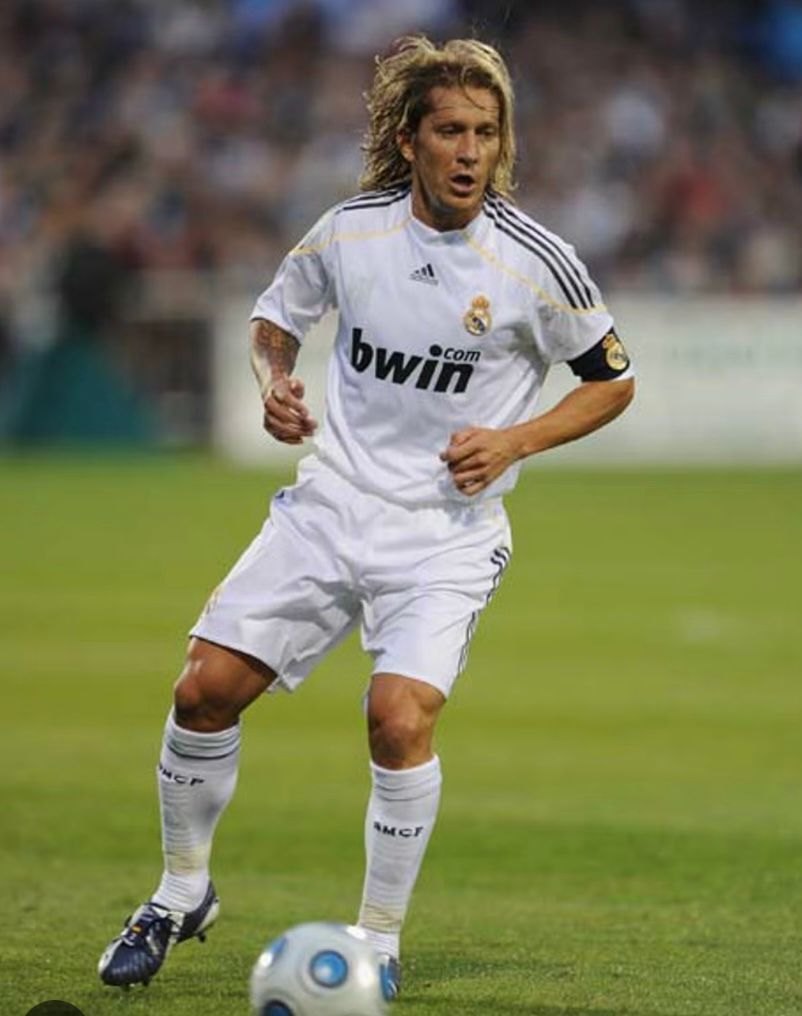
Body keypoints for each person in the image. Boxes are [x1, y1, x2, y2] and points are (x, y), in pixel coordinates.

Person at [98, 35, 634, 995]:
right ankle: (180, 891)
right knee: (201, 693)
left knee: (397, 718)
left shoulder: (535, 261)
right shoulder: (351, 232)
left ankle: (377, 939)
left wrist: (515, 441)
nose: (470, 151)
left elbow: (613, 380)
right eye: (451, 131)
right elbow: (276, 318)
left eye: (486, 132)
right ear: (409, 139)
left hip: (445, 534)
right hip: (330, 506)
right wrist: (274, 381)